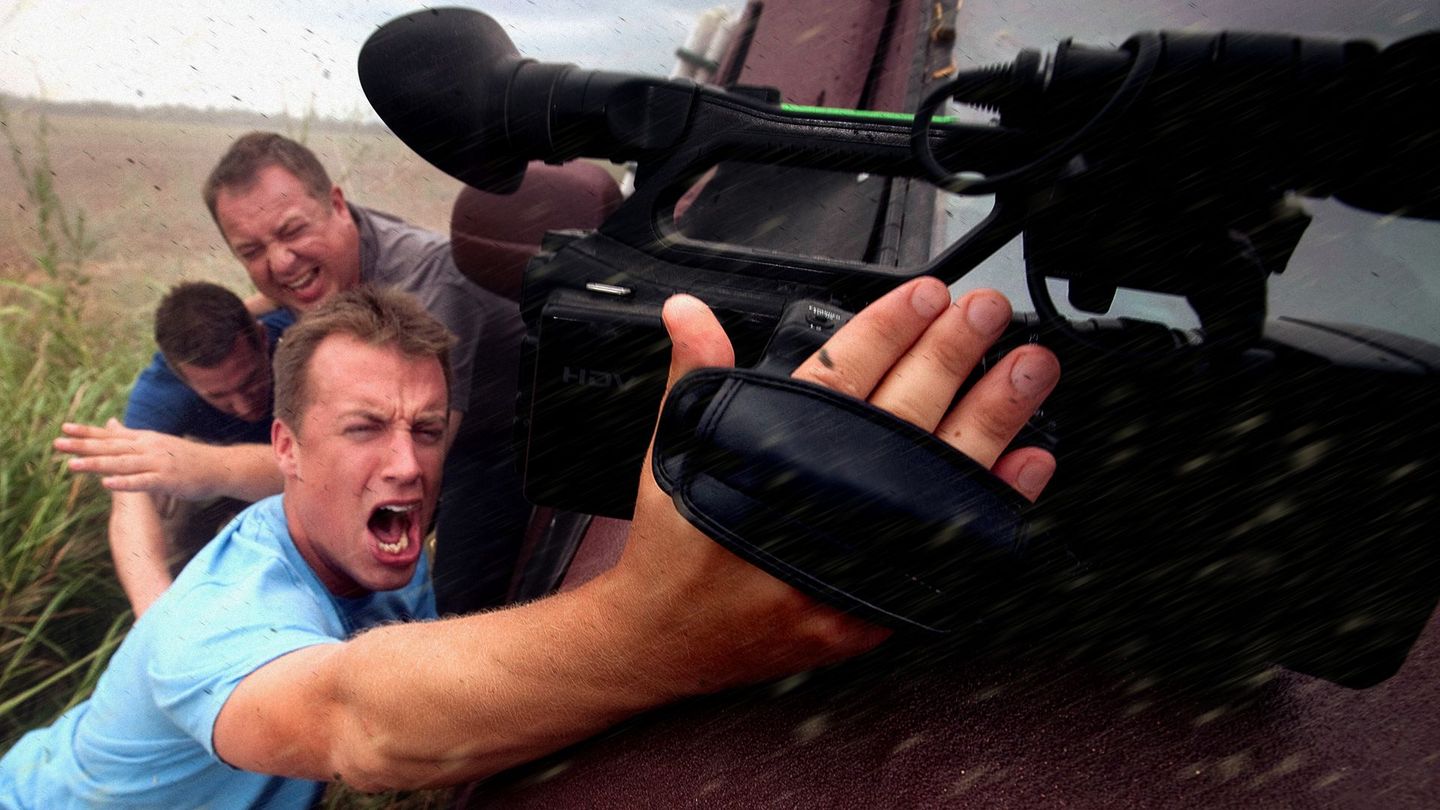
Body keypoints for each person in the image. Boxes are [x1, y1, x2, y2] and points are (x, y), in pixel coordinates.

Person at [1, 278, 1060, 806]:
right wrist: (658, 629)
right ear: (284, 447)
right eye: (363, 429)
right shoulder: (219, 617)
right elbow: (356, 723)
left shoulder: (377, 550)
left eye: (426, 429)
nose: (407, 464)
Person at [59, 131, 531, 614]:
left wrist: (204, 468)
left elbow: (400, 460)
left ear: (337, 205)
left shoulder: (425, 282)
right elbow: (130, 484)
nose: (281, 262)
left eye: (291, 231)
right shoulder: (305, 282)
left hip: (507, 434)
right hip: (420, 436)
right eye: (252, 251)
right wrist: (156, 620)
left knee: (460, 605)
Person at [54, 281, 293, 617]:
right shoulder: (161, 392)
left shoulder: (297, 339)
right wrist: (153, 616)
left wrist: (209, 466)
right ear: (180, 377)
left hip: (299, 467)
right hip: (236, 480)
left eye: (251, 381)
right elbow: (129, 501)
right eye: (218, 396)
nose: (242, 406)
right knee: (154, 483)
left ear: (262, 338)